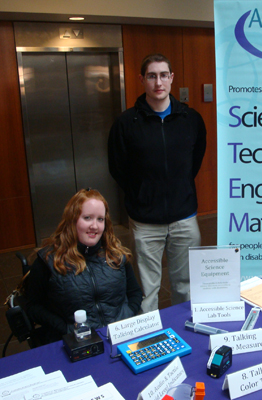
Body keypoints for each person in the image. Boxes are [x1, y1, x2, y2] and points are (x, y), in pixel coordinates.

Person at [108, 53, 207, 312]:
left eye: (164, 75)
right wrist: (141, 194)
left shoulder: (191, 119)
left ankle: (186, 337)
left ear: (172, 78)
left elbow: (194, 161)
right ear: (142, 79)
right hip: (145, 220)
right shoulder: (126, 123)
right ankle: (149, 343)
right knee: (147, 291)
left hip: (184, 218)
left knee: (185, 286)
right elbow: (117, 167)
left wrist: (178, 187)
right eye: (152, 76)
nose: (158, 82)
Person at [24, 188, 143, 343]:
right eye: (87, 218)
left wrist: (125, 316)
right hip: (75, 342)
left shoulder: (116, 255)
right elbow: (32, 306)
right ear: (72, 220)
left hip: (118, 338)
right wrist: (65, 328)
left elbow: (134, 293)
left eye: (100, 219)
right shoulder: (49, 260)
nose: (94, 226)